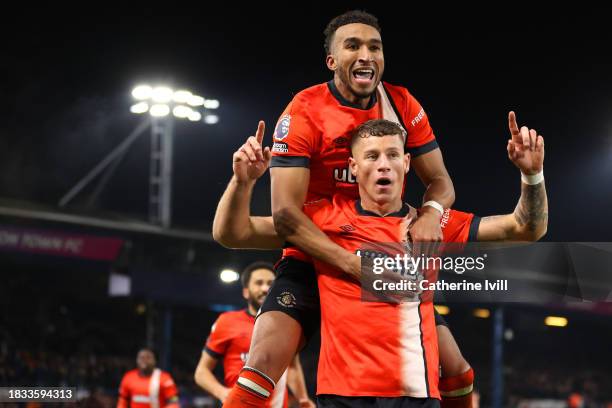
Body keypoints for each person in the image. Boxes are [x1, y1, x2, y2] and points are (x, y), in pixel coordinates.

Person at [213, 10, 472, 407]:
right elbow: (284, 214)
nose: (366, 54)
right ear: (332, 61)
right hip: (315, 248)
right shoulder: (304, 109)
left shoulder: (401, 105)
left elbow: (441, 181)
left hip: (383, 252)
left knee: (455, 366)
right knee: (263, 359)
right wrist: (351, 264)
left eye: (375, 46)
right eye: (353, 46)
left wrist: (433, 212)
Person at [216, 112, 546, 406]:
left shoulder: (430, 225)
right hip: (342, 396)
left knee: (460, 371)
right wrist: (241, 183)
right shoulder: (321, 221)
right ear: (354, 168)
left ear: (406, 163)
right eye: (371, 156)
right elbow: (233, 233)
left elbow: (526, 227)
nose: (383, 164)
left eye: (392, 154)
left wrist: (532, 177)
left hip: (416, 395)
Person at [194, 262, 315, 408]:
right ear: (246, 291)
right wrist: (222, 392)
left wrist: (303, 399)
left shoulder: (286, 325)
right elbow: (201, 372)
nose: (265, 288)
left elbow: (293, 367)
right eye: (259, 283)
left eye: (271, 284)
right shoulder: (227, 321)